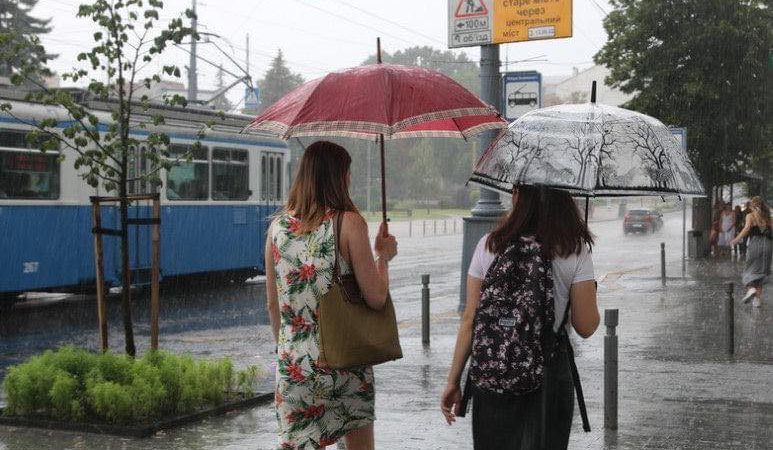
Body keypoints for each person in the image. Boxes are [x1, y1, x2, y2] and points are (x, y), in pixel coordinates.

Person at [441, 185, 599, 449]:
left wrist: (453, 381)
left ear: (518, 196)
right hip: (548, 375)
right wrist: (589, 290)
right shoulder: (573, 248)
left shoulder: (489, 244)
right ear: (563, 195)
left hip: (494, 375)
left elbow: (470, 318)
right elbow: (586, 326)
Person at [264, 141, 397, 450]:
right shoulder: (349, 223)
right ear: (338, 177)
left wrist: (290, 351)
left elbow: (273, 305)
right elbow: (376, 297)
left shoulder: (277, 229)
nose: (350, 179)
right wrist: (384, 258)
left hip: (294, 363)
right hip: (343, 362)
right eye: (347, 173)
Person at [730, 196, 772, 308]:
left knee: (749, 270)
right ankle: (757, 300)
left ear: (752, 205)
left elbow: (747, 229)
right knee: (761, 273)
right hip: (768, 246)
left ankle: (751, 289)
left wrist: (736, 240)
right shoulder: (768, 217)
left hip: (755, 245)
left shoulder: (750, 216)